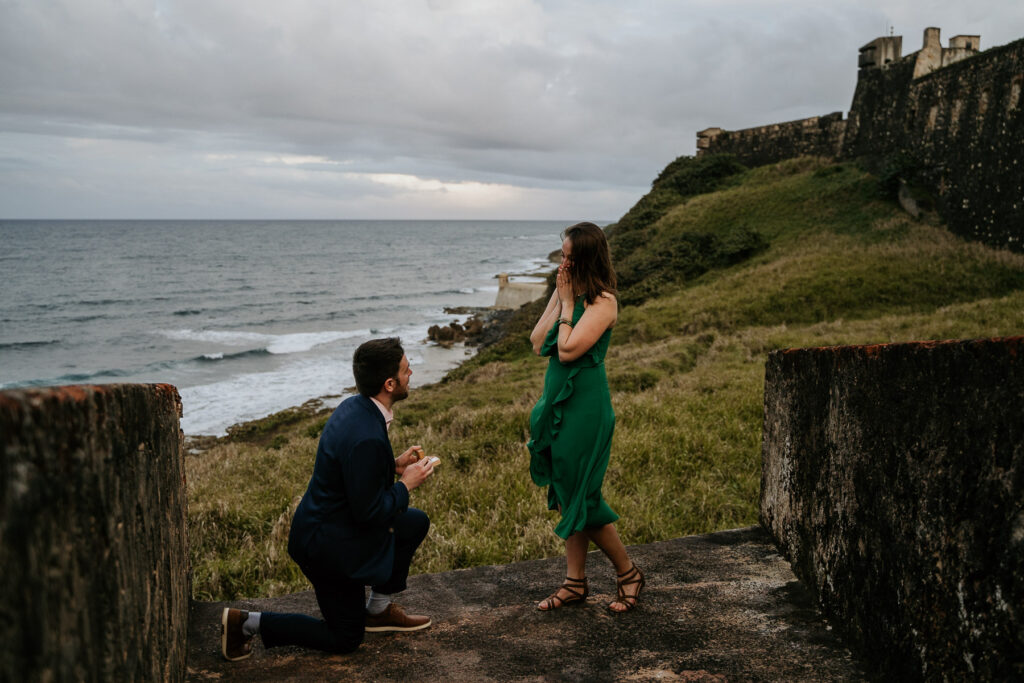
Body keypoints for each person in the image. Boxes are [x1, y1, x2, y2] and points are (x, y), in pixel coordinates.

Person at [221, 337, 437, 660]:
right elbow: (370, 512)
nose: (412, 374)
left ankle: (377, 610)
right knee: (345, 637)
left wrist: (393, 466)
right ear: (389, 384)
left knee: (413, 522)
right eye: (407, 370)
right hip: (326, 547)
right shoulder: (367, 435)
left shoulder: (355, 406)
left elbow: (351, 474)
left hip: (333, 525)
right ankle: (245, 623)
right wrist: (406, 484)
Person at [527, 222, 645, 613]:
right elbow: (535, 343)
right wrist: (559, 300)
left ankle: (628, 574)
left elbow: (566, 350)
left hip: (586, 408)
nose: (562, 264)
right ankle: (574, 582)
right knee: (566, 491)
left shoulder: (603, 302)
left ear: (587, 259)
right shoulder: (567, 295)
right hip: (557, 402)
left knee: (583, 496)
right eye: (560, 255)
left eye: (569, 257)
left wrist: (566, 306)